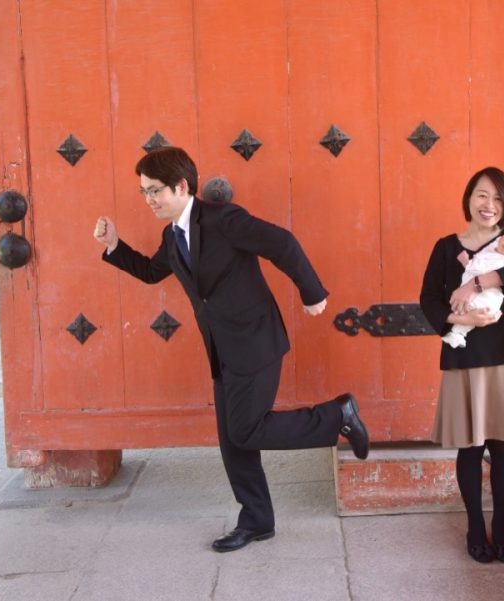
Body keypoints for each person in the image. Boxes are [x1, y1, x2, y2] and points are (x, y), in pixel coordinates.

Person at [93, 146, 369, 553]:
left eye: (155, 191)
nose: (149, 200)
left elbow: (282, 243)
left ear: (181, 186)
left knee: (245, 430)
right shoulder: (172, 235)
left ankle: (337, 416)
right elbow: (153, 273)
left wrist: (311, 292)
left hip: (256, 340)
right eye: (143, 192)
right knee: (232, 440)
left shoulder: (224, 220)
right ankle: (256, 521)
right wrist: (115, 246)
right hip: (221, 349)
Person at [419, 166, 504, 565]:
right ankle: (475, 526)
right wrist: (461, 319)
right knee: (471, 447)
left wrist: (473, 284)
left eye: (497, 198)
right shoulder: (445, 247)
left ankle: (502, 525)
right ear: (469, 199)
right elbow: (429, 301)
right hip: (466, 355)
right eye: (482, 195)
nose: (489, 205)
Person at [441, 224, 504, 349]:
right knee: (463, 308)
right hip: (477, 296)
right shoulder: (497, 244)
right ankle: (458, 331)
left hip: (487, 299)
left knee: (469, 308)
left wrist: (467, 264)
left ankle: (458, 333)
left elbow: (479, 268)